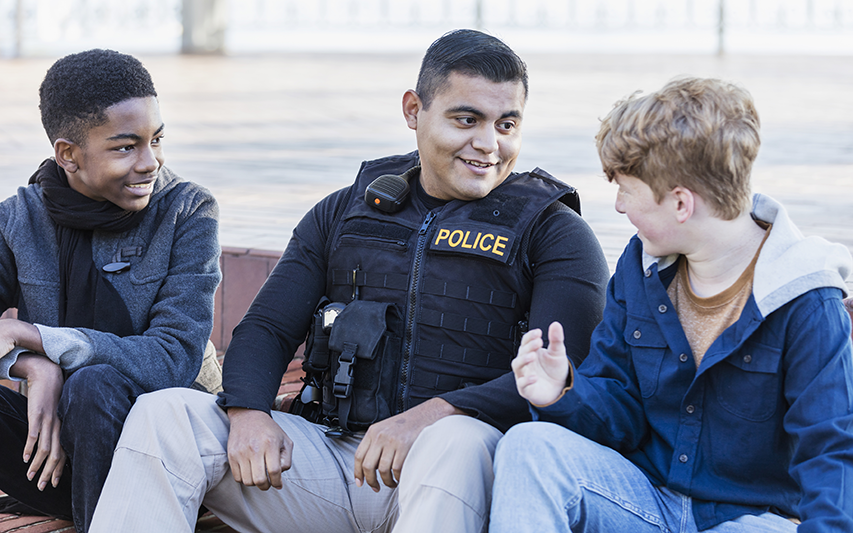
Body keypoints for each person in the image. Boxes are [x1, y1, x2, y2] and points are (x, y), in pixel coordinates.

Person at [89, 29, 610, 533]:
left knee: (456, 440)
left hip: (458, 478)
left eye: (507, 124)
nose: (487, 144)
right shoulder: (344, 212)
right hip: (334, 460)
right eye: (466, 119)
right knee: (166, 414)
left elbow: (567, 373)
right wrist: (247, 411)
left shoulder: (555, 232)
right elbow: (267, 328)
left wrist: (436, 414)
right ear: (413, 110)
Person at [490, 77, 853, 532]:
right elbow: (619, 412)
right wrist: (564, 390)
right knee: (529, 446)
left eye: (627, 190)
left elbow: (832, 452)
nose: (619, 206)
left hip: (754, 518)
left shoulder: (806, 299)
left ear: (681, 202)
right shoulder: (639, 268)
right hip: (645, 499)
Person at [0, 49, 222, 532]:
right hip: (56, 451)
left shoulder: (188, 211)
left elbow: (172, 359)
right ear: (68, 155)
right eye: (126, 147)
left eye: (156, 140)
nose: (150, 162)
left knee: (94, 385)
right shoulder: (18, 217)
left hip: (170, 452)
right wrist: (31, 367)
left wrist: (43, 340)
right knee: (79, 388)